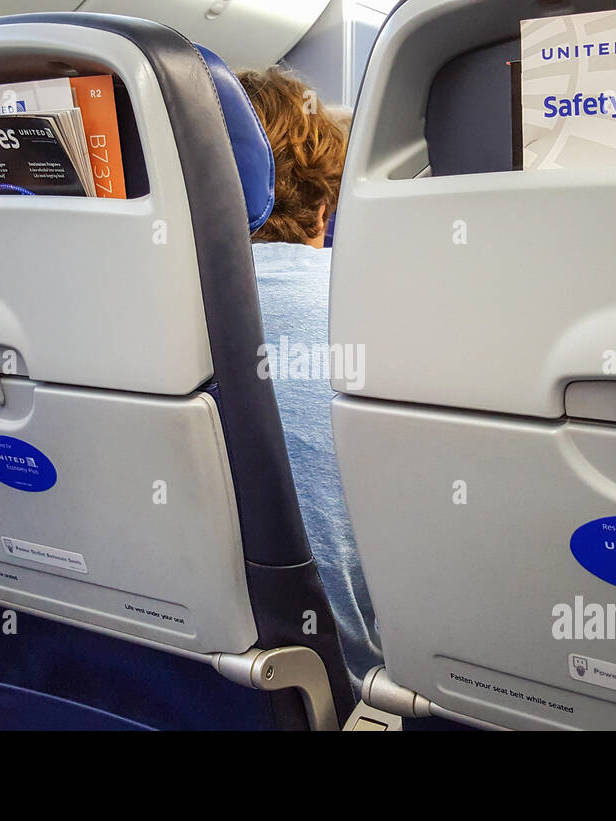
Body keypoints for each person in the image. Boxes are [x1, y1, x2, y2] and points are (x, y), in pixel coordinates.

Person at [238, 67, 382, 691]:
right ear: (324, 206)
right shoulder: (391, 308)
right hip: (349, 685)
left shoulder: (109, 309)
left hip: (140, 675)